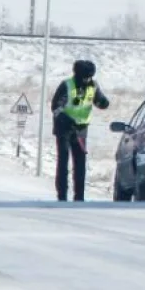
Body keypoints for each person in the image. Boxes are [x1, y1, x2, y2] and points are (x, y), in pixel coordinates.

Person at [50, 59, 109, 202]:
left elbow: (98, 100)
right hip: (64, 128)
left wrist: (103, 103)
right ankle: (62, 196)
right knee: (63, 162)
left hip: (81, 129)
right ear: (78, 75)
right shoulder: (67, 85)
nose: (88, 79)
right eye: (85, 77)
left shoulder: (93, 86)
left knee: (80, 164)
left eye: (90, 77)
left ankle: (79, 197)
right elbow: (55, 107)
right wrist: (66, 119)